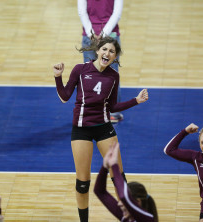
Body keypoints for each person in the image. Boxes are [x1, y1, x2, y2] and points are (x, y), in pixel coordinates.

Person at [53, 36, 149, 222]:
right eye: (104, 49)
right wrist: (58, 76)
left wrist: (136, 101)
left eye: (112, 52)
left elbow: (112, 107)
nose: (107, 53)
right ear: (97, 51)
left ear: (115, 57)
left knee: (119, 178)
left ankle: (132, 217)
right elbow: (64, 96)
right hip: (81, 129)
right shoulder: (80, 70)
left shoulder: (114, 76)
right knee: (83, 183)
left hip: (104, 127)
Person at [78, 0, 124, 123]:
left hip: (89, 37)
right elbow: (117, 13)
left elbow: (82, 12)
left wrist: (91, 33)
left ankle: (89, 112)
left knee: (89, 75)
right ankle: (113, 113)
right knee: (112, 74)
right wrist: (104, 34)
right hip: (111, 36)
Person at [94, 142, 158, 222]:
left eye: (123, 202)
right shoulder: (126, 218)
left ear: (138, 202)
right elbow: (100, 192)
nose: (119, 204)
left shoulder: (147, 219)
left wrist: (114, 166)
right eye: (121, 201)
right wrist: (105, 167)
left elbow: (124, 196)